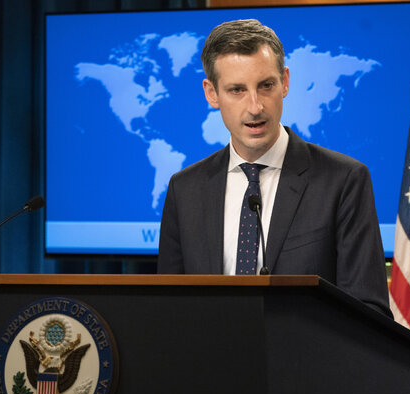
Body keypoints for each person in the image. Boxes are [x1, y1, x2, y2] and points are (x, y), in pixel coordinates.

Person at [157, 19, 392, 317]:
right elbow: (168, 310)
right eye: (237, 90)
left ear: (285, 82)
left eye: (266, 86)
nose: (255, 107)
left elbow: (370, 312)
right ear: (211, 93)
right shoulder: (185, 189)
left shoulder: (343, 181)